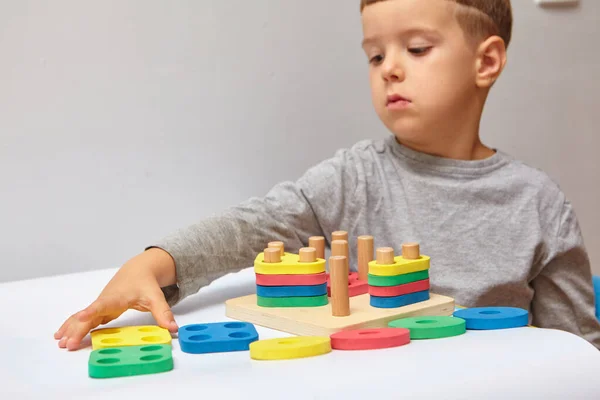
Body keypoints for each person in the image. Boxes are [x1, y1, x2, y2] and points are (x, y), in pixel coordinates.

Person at [54, 0, 600, 351]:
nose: (389, 67)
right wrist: (156, 262)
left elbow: (577, 353)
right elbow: (255, 225)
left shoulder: (538, 203)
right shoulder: (354, 178)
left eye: (416, 48)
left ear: (486, 62)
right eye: (374, 54)